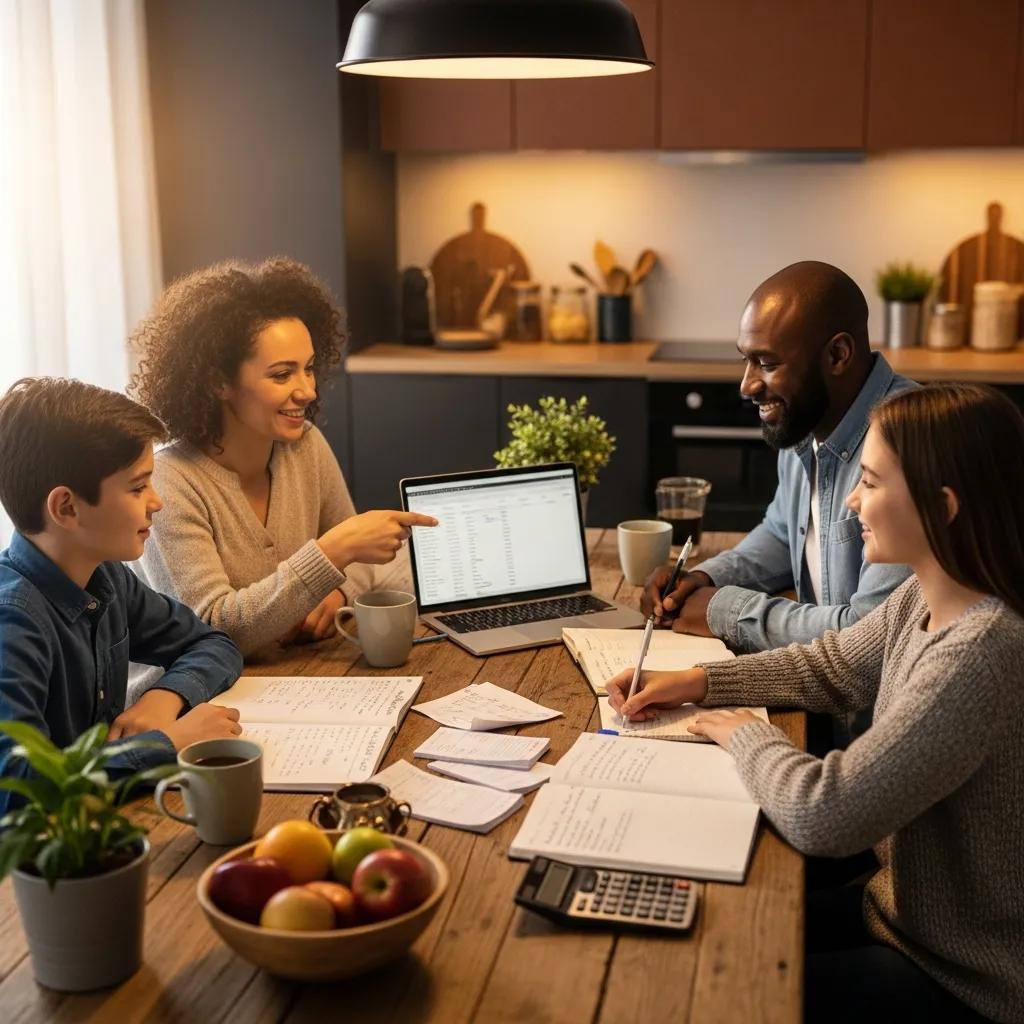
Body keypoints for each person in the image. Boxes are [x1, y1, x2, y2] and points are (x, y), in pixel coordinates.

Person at [609, 383, 1024, 1023]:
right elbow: (833, 667)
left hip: (960, 976)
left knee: (719, 992)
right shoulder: (926, 592)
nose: (851, 502)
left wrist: (745, 734)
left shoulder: (980, 650)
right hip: (897, 912)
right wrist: (698, 682)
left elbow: (825, 814)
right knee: (707, 926)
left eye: (872, 483)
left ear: (942, 508)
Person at [129, 257, 436, 656]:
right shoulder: (171, 483)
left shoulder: (305, 445)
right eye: (281, 374)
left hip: (295, 679)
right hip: (198, 703)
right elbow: (210, 627)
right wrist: (331, 553)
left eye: (308, 369)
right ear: (218, 381)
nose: (307, 390)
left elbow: (360, 559)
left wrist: (339, 592)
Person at [0, 378, 244, 816]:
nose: (157, 502)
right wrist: (167, 744)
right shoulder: (12, 623)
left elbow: (213, 643)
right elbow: (17, 792)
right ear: (67, 508)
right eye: (137, 487)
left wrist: (165, 698)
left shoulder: (107, 576)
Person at [644, 261, 916, 655]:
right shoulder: (806, 421)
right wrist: (704, 576)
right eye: (746, 360)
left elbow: (868, 635)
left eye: (768, 364)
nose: (747, 385)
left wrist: (725, 610)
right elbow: (784, 533)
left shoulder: (909, 440)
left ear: (838, 355)